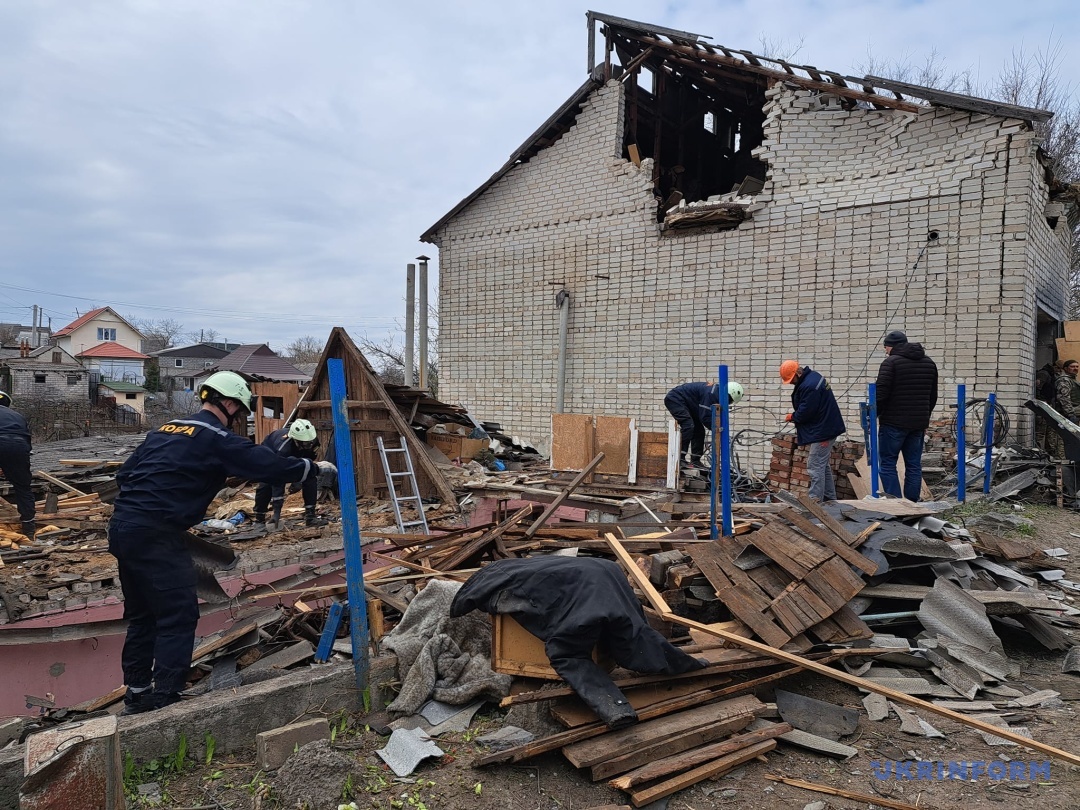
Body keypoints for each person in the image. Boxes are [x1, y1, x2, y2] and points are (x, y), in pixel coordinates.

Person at [108, 371, 337, 715]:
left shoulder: (164, 430)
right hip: (157, 534)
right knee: (178, 615)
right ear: (228, 404)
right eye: (240, 412)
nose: (239, 419)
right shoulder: (215, 437)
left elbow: (125, 475)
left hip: (123, 528)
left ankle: (137, 694)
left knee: (143, 615)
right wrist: (313, 469)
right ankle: (166, 700)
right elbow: (267, 465)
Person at [874, 330, 938, 502]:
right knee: (914, 464)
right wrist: (924, 417)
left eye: (886, 347)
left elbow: (881, 394)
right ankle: (912, 502)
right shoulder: (929, 363)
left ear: (891, 346)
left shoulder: (891, 363)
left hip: (893, 422)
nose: (885, 351)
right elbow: (932, 396)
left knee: (888, 463)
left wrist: (875, 414)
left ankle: (896, 503)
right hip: (918, 424)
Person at [779, 360, 846, 501]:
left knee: (814, 465)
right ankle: (830, 499)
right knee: (822, 465)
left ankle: (815, 502)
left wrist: (793, 416)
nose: (791, 383)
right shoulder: (813, 376)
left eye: (791, 380)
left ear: (797, 373)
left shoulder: (809, 386)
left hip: (824, 431)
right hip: (826, 426)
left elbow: (806, 411)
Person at [253, 418, 327, 528]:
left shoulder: (313, 441)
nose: (309, 445)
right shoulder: (283, 449)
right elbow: (277, 477)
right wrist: (277, 511)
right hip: (269, 458)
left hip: (294, 458)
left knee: (310, 477)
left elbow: (308, 462)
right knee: (266, 483)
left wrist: (298, 479)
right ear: (296, 440)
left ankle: (311, 517)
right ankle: (259, 519)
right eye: (305, 443)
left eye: (310, 442)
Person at [664, 380, 745, 469]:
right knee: (688, 425)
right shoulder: (711, 394)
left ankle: (695, 460)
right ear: (728, 395)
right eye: (730, 400)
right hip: (675, 399)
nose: (729, 403)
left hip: (689, 404)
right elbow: (705, 417)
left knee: (699, 431)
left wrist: (718, 427)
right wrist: (717, 429)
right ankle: (680, 458)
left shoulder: (717, 393)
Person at [0, 391, 35, 539]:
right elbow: (27, 443)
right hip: (18, 446)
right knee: (23, 487)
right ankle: (29, 529)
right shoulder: (18, 416)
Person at [1035, 360, 1063, 456]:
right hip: (1043, 406)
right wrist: (1042, 402)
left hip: (1048, 406)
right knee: (1040, 432)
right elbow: (1037, 388)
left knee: (1049, 432)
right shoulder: (1044, 374)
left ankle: (1048, 453)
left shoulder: (1051, 375)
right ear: (1055, 367)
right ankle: (1038, 453)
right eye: (1059, 369)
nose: (1059, 371)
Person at [1055, 359, 1080, 426]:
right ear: (1066, 368)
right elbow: (1064, 398)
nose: (1075, 368)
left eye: (1077, 367)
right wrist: (1070, 414)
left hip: (1074, 412)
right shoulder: (1064, 380)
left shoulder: (1072, 379)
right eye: (1072, 367)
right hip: (1067, 414)